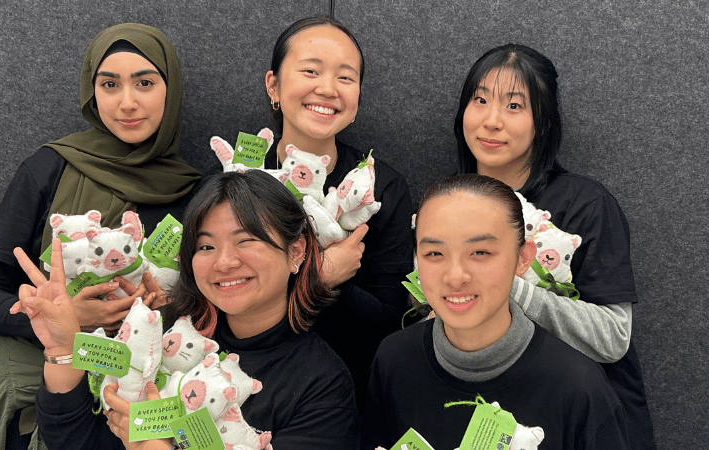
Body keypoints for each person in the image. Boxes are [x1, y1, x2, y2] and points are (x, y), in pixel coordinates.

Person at [0, 23, 202, 450]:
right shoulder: (50, 168)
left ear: (170, 89)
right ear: (92, 92)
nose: (127, 102)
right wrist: (65, 323)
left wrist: (168, 307)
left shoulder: (196, 193)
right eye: (109, 84)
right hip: (30, 407)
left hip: (130, 420)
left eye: (145, 83)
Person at [13, 170, 360, 450]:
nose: (224, 262)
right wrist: (61, 351)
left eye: (246, 240)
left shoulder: (323, 385)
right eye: (206, 245)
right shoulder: (161, 329)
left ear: (296, 251)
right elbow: (75, 439)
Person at [452, 43, 656, 449]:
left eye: (514, 106)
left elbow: (614, 337)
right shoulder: (447, 206)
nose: (492, 121)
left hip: (584, 423)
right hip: (488, 421)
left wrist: (505, 287)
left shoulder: (585, 203)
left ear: (543, 122)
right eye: (480, 100)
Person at [361, 174, 630, 449]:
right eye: (434, 254)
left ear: (523, 258)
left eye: (480, 253)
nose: (455, 276)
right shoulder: (393, 360)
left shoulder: (578, 387)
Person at [262, 16, 414, 408]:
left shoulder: (381, 188)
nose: (327, 89)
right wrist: (321, 273)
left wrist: (331, 284)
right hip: (241, 379)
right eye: (310, 71)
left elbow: (387, 320)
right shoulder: (240, 176)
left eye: (346, 78)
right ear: (274, 86)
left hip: (341, 390)